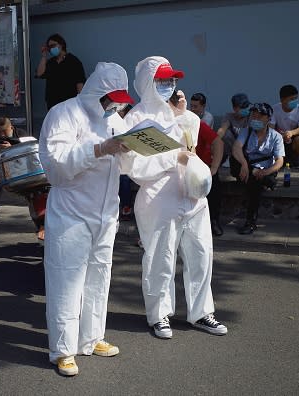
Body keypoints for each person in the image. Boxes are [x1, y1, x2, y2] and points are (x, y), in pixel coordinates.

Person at [119, 56, 227, 340]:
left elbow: (195, 146)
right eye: (162, 80)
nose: (169, 85)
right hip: (158, 197)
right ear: (147, 83)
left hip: (192, 197)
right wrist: (171, 157)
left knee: (201, 254)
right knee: (160, 258)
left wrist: (180, 116)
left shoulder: (185, 114)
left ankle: (202, 313)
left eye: (172, 80)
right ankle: (159, 315)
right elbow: (132, 166)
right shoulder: (137, 118)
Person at [39, 62, 134, 376]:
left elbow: (127, 165)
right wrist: (98, 149)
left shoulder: (113, 121)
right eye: (110, 99)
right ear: (95, 91)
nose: (113, 105)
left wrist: (135, 148)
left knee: (99, 278)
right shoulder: (64, 113)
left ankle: (92, 338)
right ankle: (63, 350)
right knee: (66, 281)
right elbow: (56, 166)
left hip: (105, 215)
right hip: (71, 215)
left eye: (118, 101)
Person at [232, 103, 284, 235]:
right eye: (253, 116)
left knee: (254, 185)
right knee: (235, 161)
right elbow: (236, 148)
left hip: (265, 169)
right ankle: (265, 180)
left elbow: (279, 161)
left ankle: (250, 222)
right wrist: (244, 164)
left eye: (260, 116)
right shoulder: (246, 131)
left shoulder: (275, 136)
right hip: (248, 166)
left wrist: (266, 172)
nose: (256, 119)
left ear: (268, 118)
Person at [35, 33, 86, 110]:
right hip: (52, 103)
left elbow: (80, 82)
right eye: (49, 47)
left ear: (61, 45)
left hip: (69, 103)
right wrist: (44, 56)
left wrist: (80, 102)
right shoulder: (51, 62)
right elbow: (40, 74)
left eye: (53, 45)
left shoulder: (73, 61)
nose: (51, 49)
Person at [196, 121, 224, 236]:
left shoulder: (197, 124)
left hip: (203, 165)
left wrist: (214, 167)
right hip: (181, 167)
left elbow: (218, 142)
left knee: (214, 186)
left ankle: (214, 221)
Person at [271, 84, 299, 167]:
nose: (295, 101)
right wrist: (280, 135)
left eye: (296, 98)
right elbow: (271, 127)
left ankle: (296, 158)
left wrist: (291, 133)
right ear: (282, 100)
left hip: (294, 135)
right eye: (292, 99)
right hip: (279, 136)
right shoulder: (274, 109)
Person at [216, 93, 251, 169]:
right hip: (233, 149)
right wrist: (216, 140)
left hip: (247, 148)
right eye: (242, 107)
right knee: (226, 135)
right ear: (234, 108)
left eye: (246, 106)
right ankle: (229, 158)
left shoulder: (251, 116)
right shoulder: (229, 116)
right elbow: (222, 130)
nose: (246, 109)